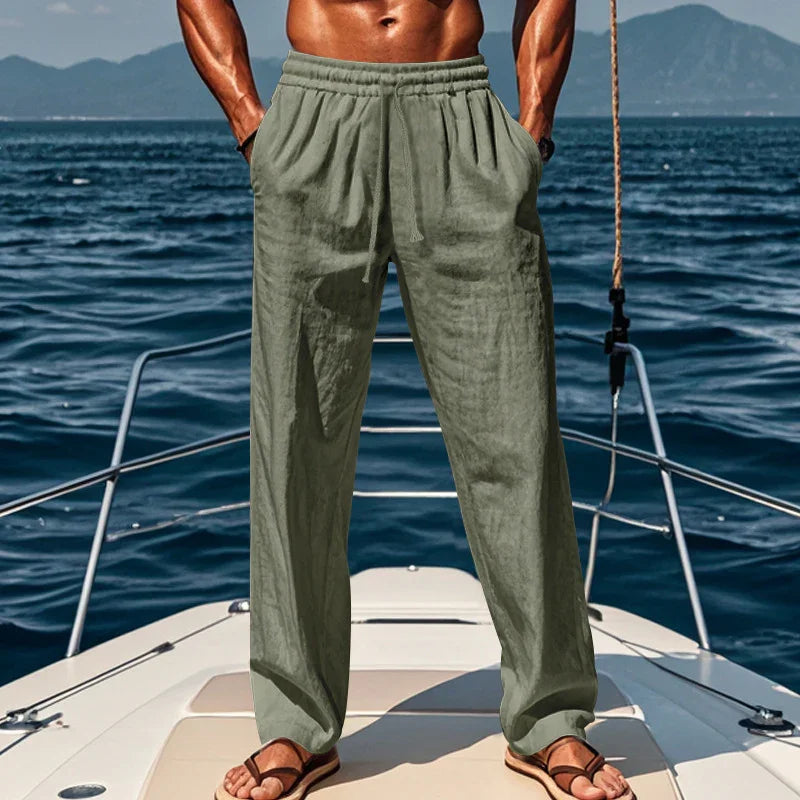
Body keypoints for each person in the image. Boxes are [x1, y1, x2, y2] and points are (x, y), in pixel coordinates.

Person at [176, 2, 635, 799]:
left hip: (462, 120)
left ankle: (549, 719)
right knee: (295, 442)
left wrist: (530, 132)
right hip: (315, 118)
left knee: (517, 437)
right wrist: (253, 124)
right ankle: (295, 725)